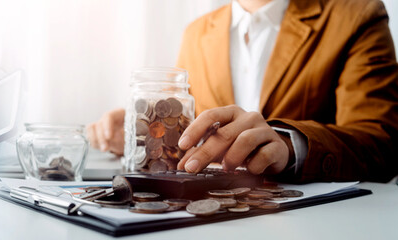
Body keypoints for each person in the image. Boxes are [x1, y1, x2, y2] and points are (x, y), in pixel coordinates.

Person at [87, 0, 398, 183]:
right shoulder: (197, 32)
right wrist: (142, 133)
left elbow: (383, 144)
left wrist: (290, 144)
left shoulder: (356, 15)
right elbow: (180, 126)